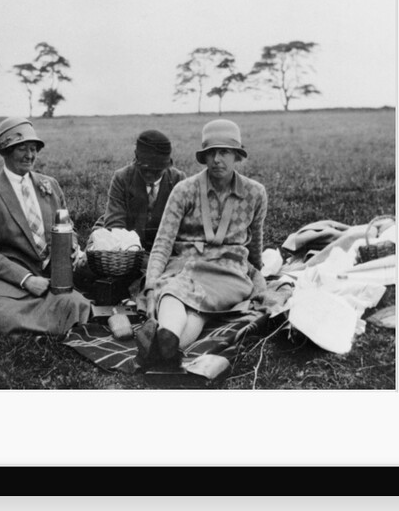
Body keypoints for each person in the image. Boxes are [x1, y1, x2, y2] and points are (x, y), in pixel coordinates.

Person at [0, 117, 91, 337]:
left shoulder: (50, 185)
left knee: (77, 306)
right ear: (5, 151)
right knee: (5, 318)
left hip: (48, 275)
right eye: (22, 149)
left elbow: (68, 227)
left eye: (33, 149)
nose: (30, 156)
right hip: (6, 278)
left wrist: (73, 247)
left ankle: (31, 326)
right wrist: (27, 280)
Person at [135, 119, 268, 367]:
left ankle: (160, 345)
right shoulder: (184, 190)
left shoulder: (255, 193)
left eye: (224, 152)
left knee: (190, 301)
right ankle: (168, 343)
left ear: (237, 156)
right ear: (204, 157)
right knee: (174, 292)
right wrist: (151, 286)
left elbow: (255, 242)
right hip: (187, 264)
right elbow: (163, 242)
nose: (217, 159)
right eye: (211, 153)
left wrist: (257, 273)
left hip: (229, 271)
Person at [94, 129, 187, 251]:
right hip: (127, 247)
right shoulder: (122, 178)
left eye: (156, 171)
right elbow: (115, 225)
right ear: (136, 159)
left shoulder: (178, 180)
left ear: (166, 167)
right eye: (143, 169)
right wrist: (133, 250)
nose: (149, 175)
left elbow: (186, 228)